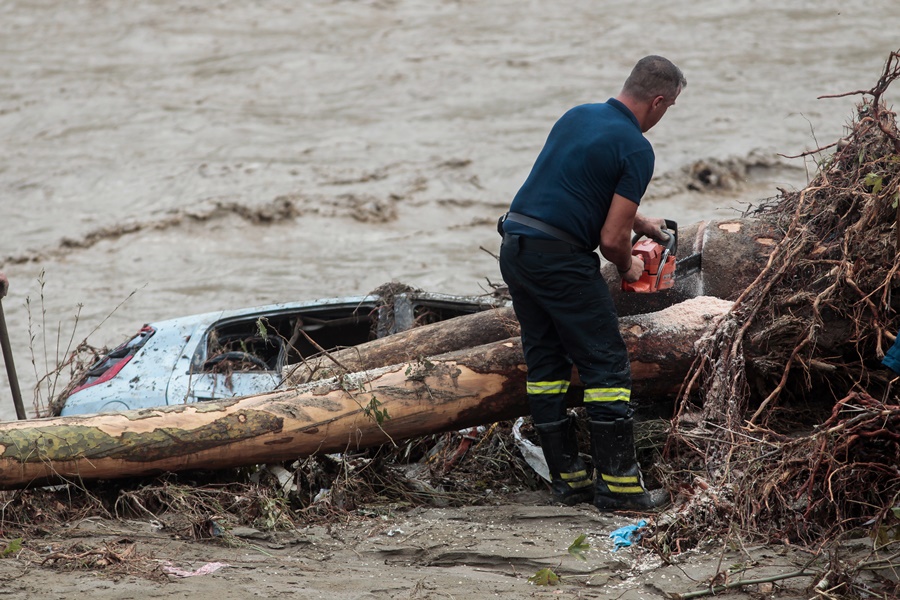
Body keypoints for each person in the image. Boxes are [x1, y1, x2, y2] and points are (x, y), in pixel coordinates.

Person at [499, 55, 685, 511]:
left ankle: (569, 481)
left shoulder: (578, 115)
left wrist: (648, 226)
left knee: (546, 363)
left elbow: (579, 188)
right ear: (658, 101)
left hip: (517, 246)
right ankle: (620, 489)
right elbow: (609, 240)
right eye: (670, 106)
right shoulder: (637, 149)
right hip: (561, 260)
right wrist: (628, 268)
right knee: (607, 367)